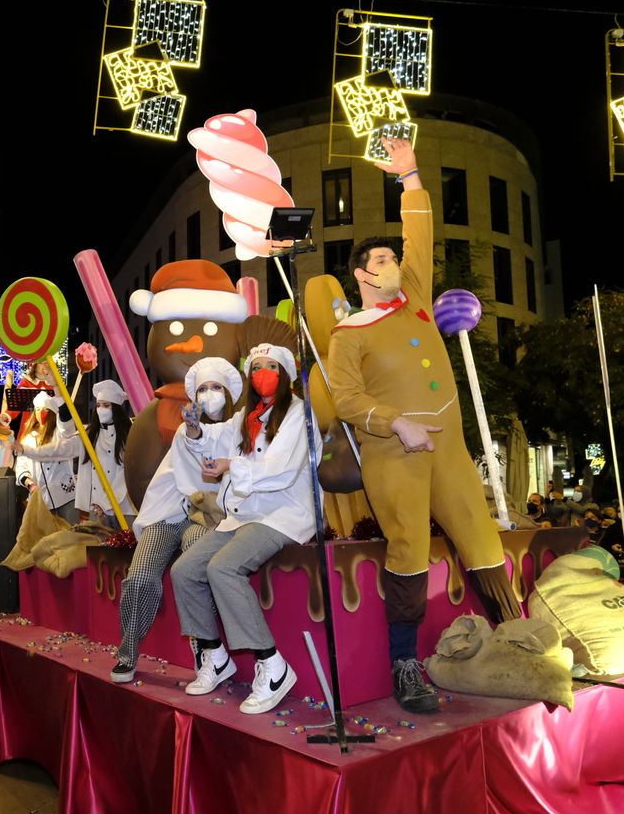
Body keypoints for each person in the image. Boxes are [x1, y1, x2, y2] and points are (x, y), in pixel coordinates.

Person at [325, 136, 524, 715]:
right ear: (361, 275)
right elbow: (345, 399)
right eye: (382, 261)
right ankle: (405, 666)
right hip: (396, 457)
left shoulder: (412, 298)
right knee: (408, 551)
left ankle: (518, 640)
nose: (395, 264)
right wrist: (394, 422)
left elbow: (421, 238)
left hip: (452, 453)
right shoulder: (349, 333)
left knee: (484, 542)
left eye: (393, 259)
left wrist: (409, 176)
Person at [170, 345, 311, 714]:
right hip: (244, 514)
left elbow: (282, 470)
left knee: (223, 567)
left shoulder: (297, 412)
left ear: (286, 373)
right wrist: (194, 427)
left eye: (271, 366)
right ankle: (215, 657)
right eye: (257, 367)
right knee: (184, 570)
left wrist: (232, 465)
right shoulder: (246, 416)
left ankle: (273, 665)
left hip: (283, 514)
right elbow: (213, 439)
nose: (263, 372)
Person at [110, 357, 239, 683]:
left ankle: (206, 650)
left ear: (228, 392)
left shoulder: (239, 430)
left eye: (215, 388)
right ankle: (127, 651)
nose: (210, 394)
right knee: (139, 576)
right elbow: (198, 446)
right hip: (168, 514)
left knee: (195, 569)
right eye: (203, 389)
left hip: (206, 520)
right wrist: (194, 427)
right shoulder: (187, 430)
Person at [13, 393, 82, 524]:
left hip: (66, 496)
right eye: (37, 409)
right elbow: (21, 466)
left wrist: (60, 400)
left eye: (45, 409)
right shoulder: (28, 439)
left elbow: (66, 426)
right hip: (41, 499)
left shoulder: (59, 434)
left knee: (70, 533)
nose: (41, 413)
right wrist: (30, 484)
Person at [76, 381, 135, 526]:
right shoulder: (90, 433)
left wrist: (106, 503)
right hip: (97, 509)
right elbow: (63, 443)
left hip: (123, 507)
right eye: (98, 405)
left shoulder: (130, 434)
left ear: (115, 408)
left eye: (106, 405)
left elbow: (125, 473)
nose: (101, 409)